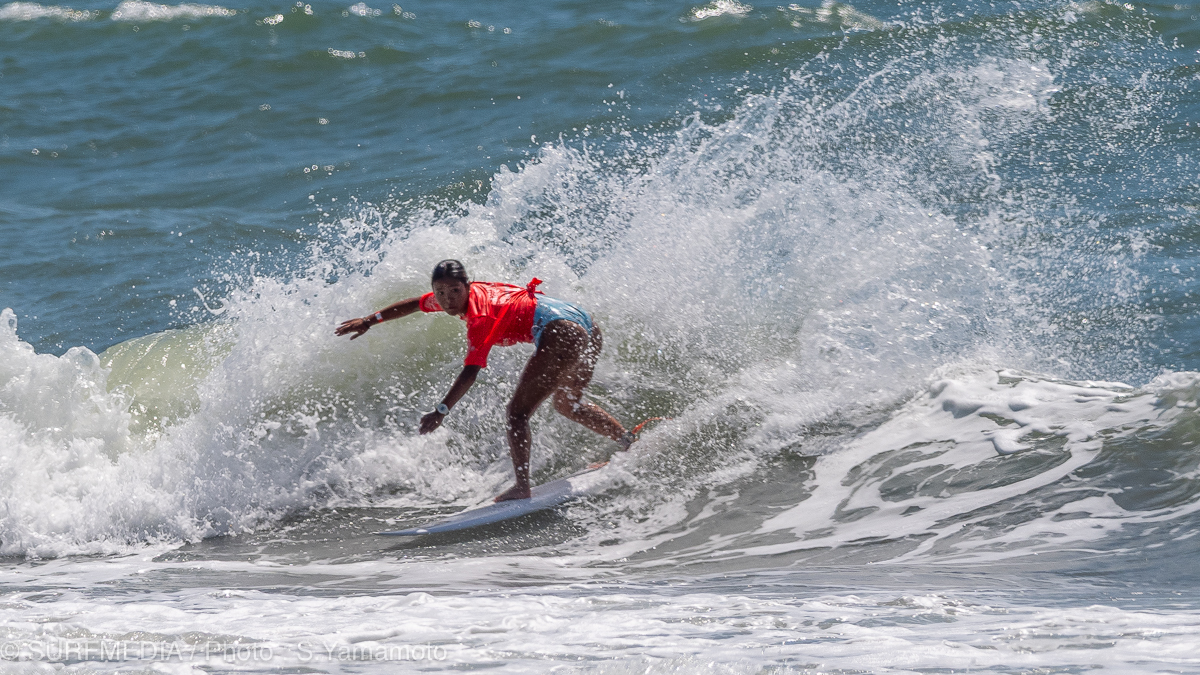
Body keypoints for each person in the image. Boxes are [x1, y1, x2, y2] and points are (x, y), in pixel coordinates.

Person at [335, 259, 631, 502]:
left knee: (516, 415)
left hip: (563, 333)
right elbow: (414, 304)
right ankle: (627, 441)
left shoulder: (480, 316)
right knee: (568, 403)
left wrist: (441, 411)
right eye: (440, 292)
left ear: (466, 286)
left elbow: (470, 372)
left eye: (454, 291)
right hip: (586, 324)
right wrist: (369, 320)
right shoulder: (460, 297)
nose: (447, 299)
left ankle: (522, 486)